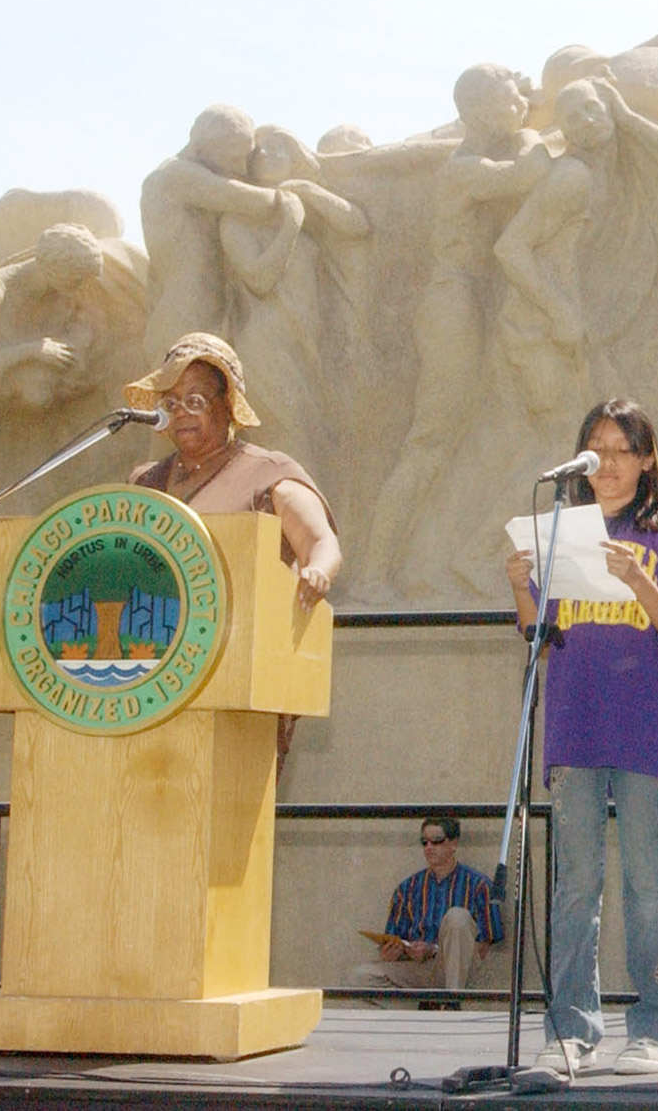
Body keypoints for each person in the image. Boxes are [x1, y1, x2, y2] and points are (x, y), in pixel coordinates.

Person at [504, 399, 658, 1076]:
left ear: (647, 457)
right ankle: (571, 1027)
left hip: (643, 730)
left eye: (623, 448)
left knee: (647, 880)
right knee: (575, 882)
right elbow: (544, 637)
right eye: (596, 448)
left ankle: (656, 1027)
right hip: (575, 725)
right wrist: (520, 589)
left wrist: (639, 581)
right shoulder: (562, 530)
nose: (609, 462)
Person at [123, 332, 342, 771]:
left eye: (196, 400)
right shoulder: (143, 484)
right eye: (171, 402)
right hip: (146, 684)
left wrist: (318, 571)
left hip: (238, 683)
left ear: (229, 407)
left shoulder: (268, 473)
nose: (181, 412)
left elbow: (323, 543)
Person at [349, 817, 503, 1001]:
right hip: (418, 967)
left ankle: (451, 1004)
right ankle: (409, 1022)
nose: (429, 847)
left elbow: (485, 945)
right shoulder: (407, 888)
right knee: (357, 978)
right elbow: (394, 938)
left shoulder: (479, 885)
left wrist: (435, 950)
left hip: (457, 969)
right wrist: (394, 952)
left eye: (436, 841)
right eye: (424, 842)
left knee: (457, 917)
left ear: (453, 844)